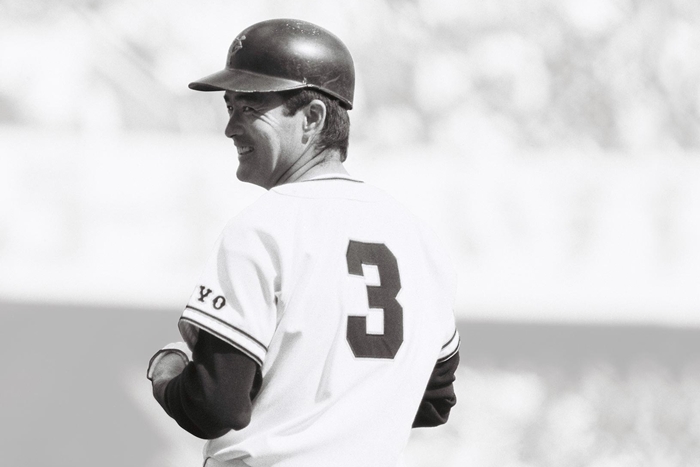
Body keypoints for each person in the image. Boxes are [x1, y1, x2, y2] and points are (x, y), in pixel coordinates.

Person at [147, 18, 460, 467]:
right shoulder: (419, 238)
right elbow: (435, 400)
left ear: (312, 117)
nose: (231, 127)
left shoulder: (263, 226)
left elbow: (213, 405)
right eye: (230, 106)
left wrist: (167, 369)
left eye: (250, 107)